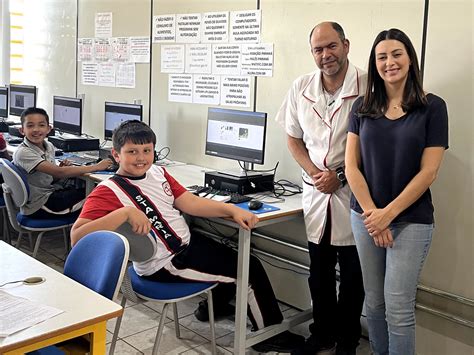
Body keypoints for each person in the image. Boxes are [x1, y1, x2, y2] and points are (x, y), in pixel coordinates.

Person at [70, 120, 304, 353]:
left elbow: (190, 203)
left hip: (185, 246)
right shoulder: (107, 191)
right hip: (165, 264)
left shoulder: (158, 173)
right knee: (248, 269)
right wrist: (124, 213)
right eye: (132, 152)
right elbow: (78, 238)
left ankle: (215, 305)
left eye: (147, 151)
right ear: (116, 154)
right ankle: (267, 335)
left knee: (235, 253)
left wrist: (232, 210)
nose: (141, 157)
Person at [345, 28, 448, 355]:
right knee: (374, 303)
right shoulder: (361, 107)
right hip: (365, 216)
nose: (389, 62)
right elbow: (351, 167)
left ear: (410, 58)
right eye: (382, 57)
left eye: (396, 54)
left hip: (411, 220)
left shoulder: (432, 107)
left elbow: (429, 171)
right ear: (375, 64)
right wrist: (373, 215)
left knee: (398, 307)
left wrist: (388, 215)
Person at [276, 22, 366, 355]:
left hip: (355, 193)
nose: (325, 55)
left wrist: (339, 175)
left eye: (331, 46)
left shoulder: (369, 86)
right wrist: (316, 172)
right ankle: (322, 334)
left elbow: (377, 143)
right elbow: (293, 137)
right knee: (320, 273)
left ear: (345, 44)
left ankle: (348, 341)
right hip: (316, 192)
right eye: (318, 49)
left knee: (354, 277)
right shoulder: (301, 86)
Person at [13, 107, 112, 219]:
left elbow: (52, 177)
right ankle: (84, 234)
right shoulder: (23, 152)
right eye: (30, 126)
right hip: (41, 205)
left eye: (41, 125)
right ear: (22, 130)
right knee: (98, 195)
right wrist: (96, 167)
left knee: (91, 189)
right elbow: (59, 172)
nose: (36, 129)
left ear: (48, 128)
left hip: (49, 194)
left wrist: (59, 171)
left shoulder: (48, 146)